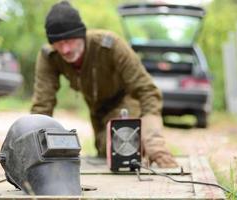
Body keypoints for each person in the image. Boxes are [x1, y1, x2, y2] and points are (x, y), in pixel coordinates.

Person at [31, 1, 178, 168]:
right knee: (104, 152)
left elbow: (148, 91)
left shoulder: (110, 45)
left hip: (124, 104)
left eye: (70, 41)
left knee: (122, 146)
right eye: (58, 43)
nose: (65, 50)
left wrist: (154, 143)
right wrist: (34, 147)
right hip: (97, 111)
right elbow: (42, 104)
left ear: (81, 34)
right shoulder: (49, 56)